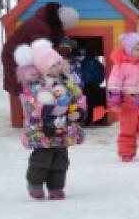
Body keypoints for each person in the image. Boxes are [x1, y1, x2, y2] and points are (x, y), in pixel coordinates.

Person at [13, 39, 86, 199]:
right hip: (42, 131)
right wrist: (50, 109)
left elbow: (78, 97)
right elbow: (30, 104)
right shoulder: (35, 86)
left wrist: (79, 111)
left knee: (61, 160)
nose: (57, 68)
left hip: (63, 129)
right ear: (42, 67)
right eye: (52, 66)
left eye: (58, 64)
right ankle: (35, 183)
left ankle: (56, 187)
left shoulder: (68, 82)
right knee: (42, 159)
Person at [106, 32, 139, 161]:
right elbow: (114, 82)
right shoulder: (121, 65)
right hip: (128, 103)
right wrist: (114, 100)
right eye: (137, 49)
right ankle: (126, 153)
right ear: (128, 50)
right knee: (127, 129)